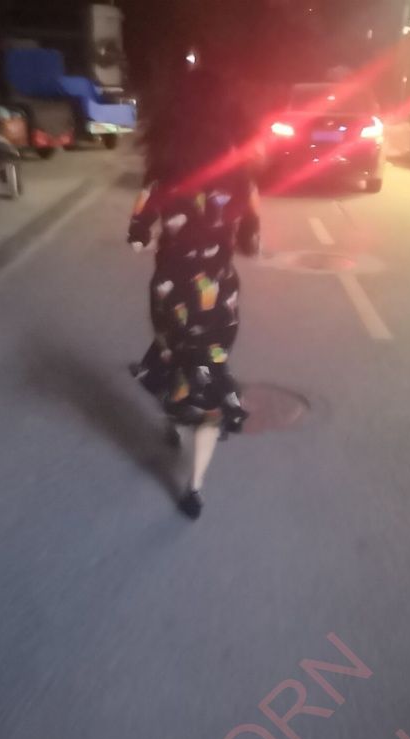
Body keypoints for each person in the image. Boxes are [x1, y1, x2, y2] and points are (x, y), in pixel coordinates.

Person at [127, 64, 260, 520]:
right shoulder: (240, 173)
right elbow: (252, 242)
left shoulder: (161, 171)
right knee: (208, 377)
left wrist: (156, 240)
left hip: (170, 295)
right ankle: (194, 488)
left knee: (175, 357)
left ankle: (172, 411)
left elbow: (137, 235)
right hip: (218, 299)